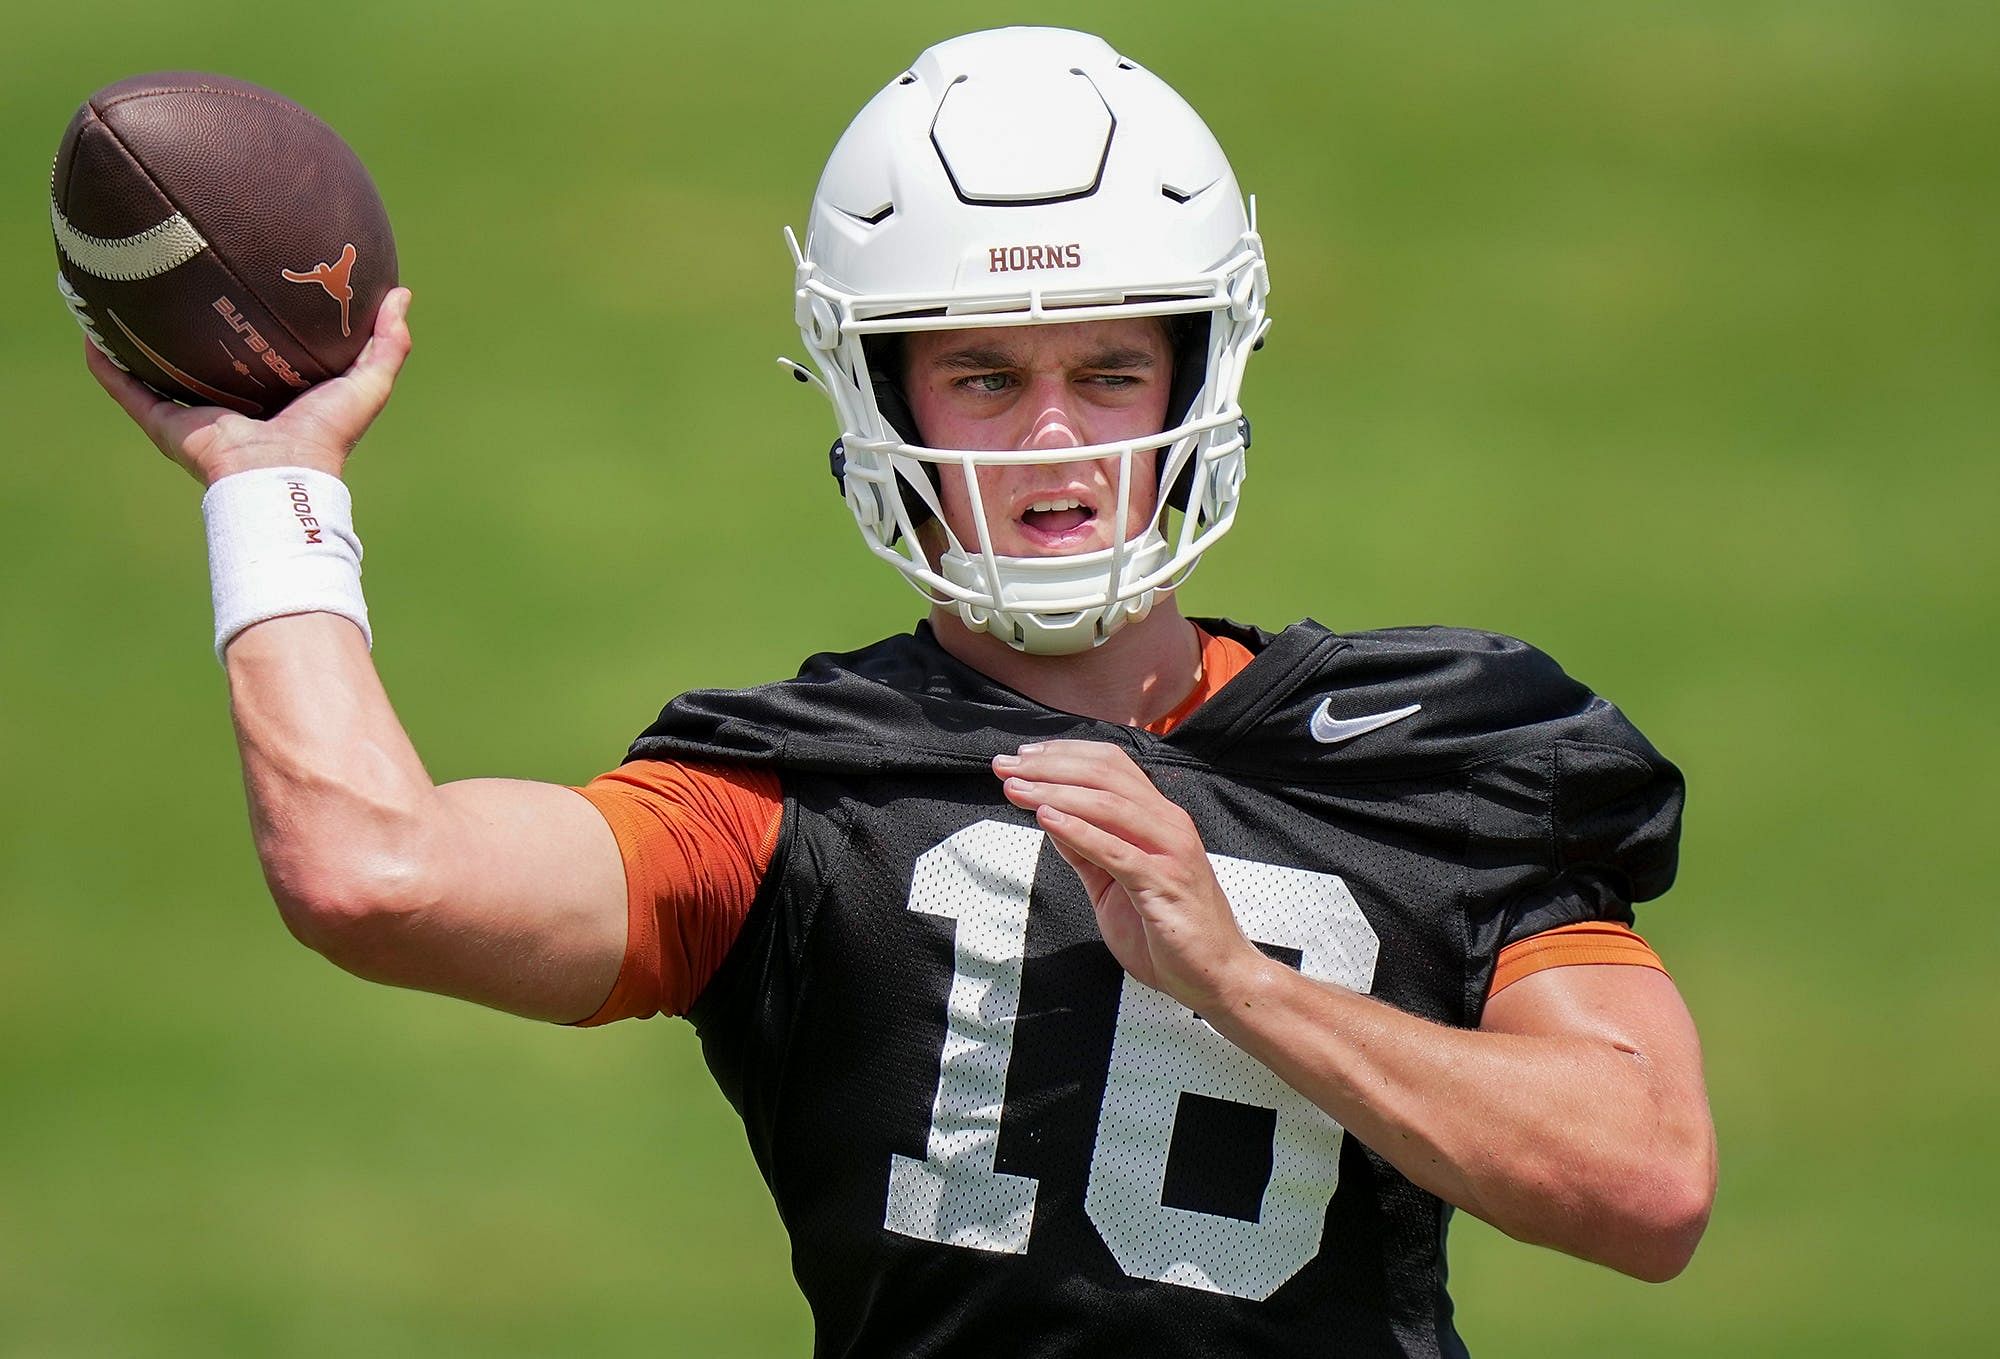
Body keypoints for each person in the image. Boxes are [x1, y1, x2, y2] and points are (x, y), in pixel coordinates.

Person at [87, 27, 1715, 1359]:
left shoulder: (1433, 749)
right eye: (985, 378)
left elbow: (1646, 1184)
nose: (1056, 441)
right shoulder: (786, 799)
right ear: (882, 399)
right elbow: (374, 877)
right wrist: (271, 490)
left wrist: (1241, 982)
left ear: (1199, 377)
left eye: (1111, 371)